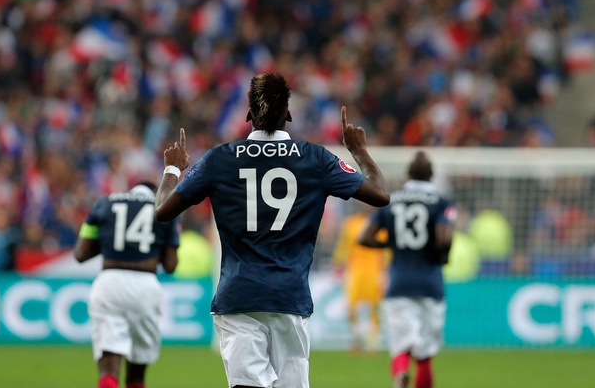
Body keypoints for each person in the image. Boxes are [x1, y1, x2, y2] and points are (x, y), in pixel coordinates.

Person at [154, 72, 390, 388]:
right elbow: (380, 195)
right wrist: (358, 150)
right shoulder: (315, 158)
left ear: (249, 115)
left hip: (238, 298)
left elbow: (162, 210)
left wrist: (172, 168)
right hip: (289, 298)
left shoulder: (220, 159)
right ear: (289, 115)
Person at [358, 151, 456, 388]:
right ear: (431, 175)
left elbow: (364, 237)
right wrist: (443, 257)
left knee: (401, 345)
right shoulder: (442, 202)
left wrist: (389, 243)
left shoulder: (392, 200)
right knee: (425, 354)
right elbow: (444, 238)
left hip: (399, 283)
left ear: (408, 175)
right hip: (431, 283)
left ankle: (401, 374)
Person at [74, 181, 180, 388]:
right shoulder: (165, 207)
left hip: (109, 283)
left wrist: (109, 241)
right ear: (153, 193)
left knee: (108, 364)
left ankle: (108, 380)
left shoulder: (103, 204)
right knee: (137, 372)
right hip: (145, 285)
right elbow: (170, 265)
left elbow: (81, 254)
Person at [331, 202, 390, 353]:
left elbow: (387, 249)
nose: (367, 206)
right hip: (355, 268)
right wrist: (337, 262)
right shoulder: (350, 223)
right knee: (351, 305)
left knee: (374, 305)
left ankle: (373, 341)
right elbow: (343, 246)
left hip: (374, 269)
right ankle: (356, 337)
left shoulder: (381, 224)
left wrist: (387, 268)